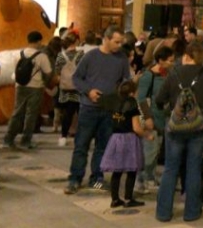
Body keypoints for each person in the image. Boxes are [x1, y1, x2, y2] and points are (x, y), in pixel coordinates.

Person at [154, 42, 203, 223]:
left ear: (186, 56)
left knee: (170, 168)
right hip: (199, 128)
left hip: (175, 128)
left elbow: (159, 99)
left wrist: (168, 110)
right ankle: (192, 212)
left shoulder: (174, 74)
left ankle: (163, 213)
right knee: (193, 168)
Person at [66, 26, 132, 195]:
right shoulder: (91, 56)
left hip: (109, 108)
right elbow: (76, 78)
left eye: (121, 42)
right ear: (106, 39)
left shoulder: (122, 58)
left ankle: (97, 178)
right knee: (81, 145)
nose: (119, 45)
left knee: (102, 146)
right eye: (116, 42)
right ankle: (75, 178)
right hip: (89, 108)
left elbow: (125, 80)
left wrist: (125, 90)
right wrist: (89, 91)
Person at [101, 81, 147, 209]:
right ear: (132, 93)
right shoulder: (132, 103)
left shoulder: (115, 101)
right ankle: (128, 198)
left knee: (117, 170)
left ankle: (115, 199)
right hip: (129, 139)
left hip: (115, 138)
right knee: (131, 170)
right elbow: (136, 127)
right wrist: (147, 135)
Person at [4, 31, 53, 150]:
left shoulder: (19, 54)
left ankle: (8, 138)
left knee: (17, 112)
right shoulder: (41, 56)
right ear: (39, 41)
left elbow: (15, 70)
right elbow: (48, 72)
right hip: (36, 87)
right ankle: (26, 141)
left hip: (20, 86)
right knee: (31, 114)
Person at [136, 45, 173, 194]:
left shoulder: (167, 75)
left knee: (155, 151)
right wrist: (147, 117)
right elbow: (141, 98)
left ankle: (149, 178)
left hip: (162, 118)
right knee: (148, 152)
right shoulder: (148, 76)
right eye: (169, 60)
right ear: (160, 60)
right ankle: (140, 180)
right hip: (151, 118)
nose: (172, 63)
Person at [53, 35, 83, 147]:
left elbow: (57, 72)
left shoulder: (60, 56)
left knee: (67, 114)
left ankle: (63, 137)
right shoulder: (81, 55)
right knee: (80, 114)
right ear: (75, 42)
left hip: (65, 89)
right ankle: (81, 137)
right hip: (78, 88)